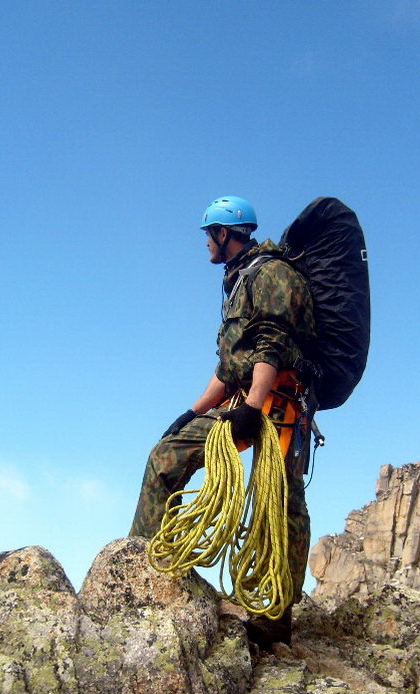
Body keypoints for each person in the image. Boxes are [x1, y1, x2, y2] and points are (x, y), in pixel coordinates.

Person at [130, 195, 316, 647]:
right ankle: (141, 564)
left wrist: (252, 409)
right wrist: (193, 411)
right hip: (245, 397)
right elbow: (230, 362)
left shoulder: (272, 272)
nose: (206, 245)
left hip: (280, 404)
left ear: (224, 233)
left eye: (207, 236)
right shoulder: (238, 281)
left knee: (280, 502)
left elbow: (271, 344)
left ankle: (274, 619)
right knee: (166, 456)